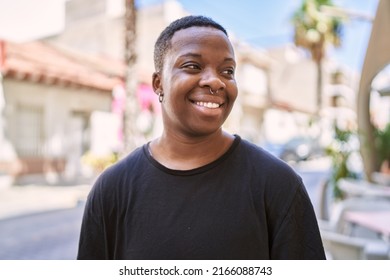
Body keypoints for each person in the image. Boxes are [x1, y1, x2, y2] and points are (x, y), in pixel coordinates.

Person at [77, 15, 326, 260]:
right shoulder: (111, 189)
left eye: (227, 71)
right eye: (193, 66)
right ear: (158, 83)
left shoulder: (278, 185)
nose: (215, 81)